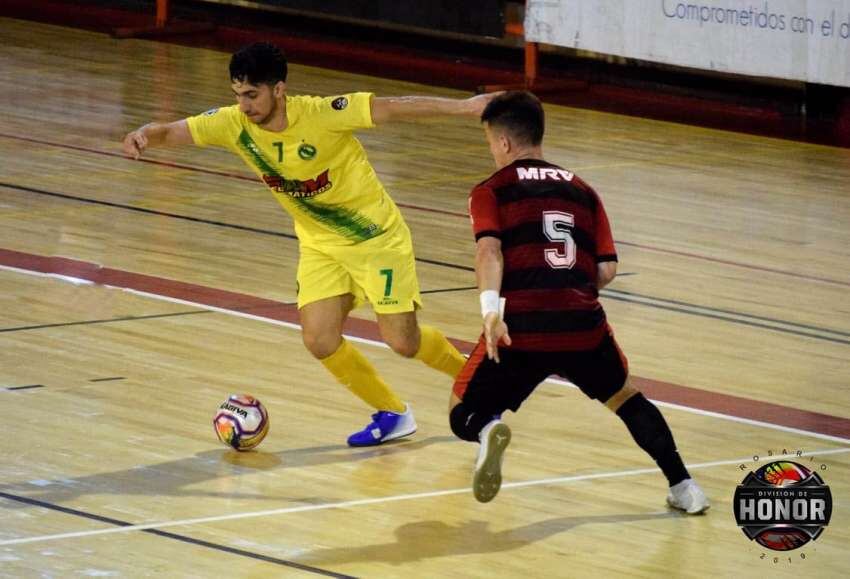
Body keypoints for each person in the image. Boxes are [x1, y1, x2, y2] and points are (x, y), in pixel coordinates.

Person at [122, 42, 487, 446]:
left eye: (252, 95)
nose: (243, 106)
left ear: (279, 89)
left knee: (403, 342)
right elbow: (174, 130)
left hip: (376, 238)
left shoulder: (322, 115)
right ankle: (394, 414)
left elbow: (393, 107)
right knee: (319, 339)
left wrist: (467, 108)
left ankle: (476, 376)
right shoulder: (234, 124)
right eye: (237, 95)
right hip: (320, 246)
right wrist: (144, 136)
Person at [449, 91, 710, 514]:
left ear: (503, 143)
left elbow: (488, 253)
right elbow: (607, 270)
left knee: (462, 411)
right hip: (582, 326)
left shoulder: (490, 190)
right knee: (627, 399)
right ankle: (684, 486)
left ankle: (489, 429)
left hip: (522, 329)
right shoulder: (584, 191)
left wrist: (491, 312)